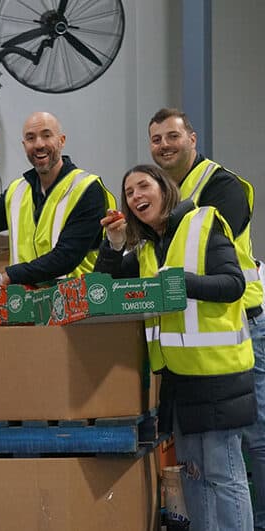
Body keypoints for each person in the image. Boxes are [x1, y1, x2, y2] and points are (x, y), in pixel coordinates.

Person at [95, 164, 256, 531]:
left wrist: (179, 283)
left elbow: (233, 285)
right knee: (194, 475)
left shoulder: (202, 223)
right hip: (179, 380)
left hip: (219, 376)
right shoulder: (147, 248)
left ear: (165, 189)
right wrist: (115, 244)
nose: (136, 197)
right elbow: (102, 290)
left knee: (223, 474)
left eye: (143, 186)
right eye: (129, 193)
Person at [149, 107, 265, 530]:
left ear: (192, 139)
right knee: (203, 467)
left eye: (172, 136)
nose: (164, 145)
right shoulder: (166, 194)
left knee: (250, 445)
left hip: (240, 328)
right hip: (193, 349)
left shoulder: (222, 187)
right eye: (156, 139)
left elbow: (214, 262)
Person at [0, 111, 116, 287]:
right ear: (24, 146)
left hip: (78, 305)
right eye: (31, 138)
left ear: (61, 141)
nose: (39, 144)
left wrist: (3, 278)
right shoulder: (18, 190)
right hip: (27, 304)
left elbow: (66, 256)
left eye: (46, 136)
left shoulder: (86, 189)